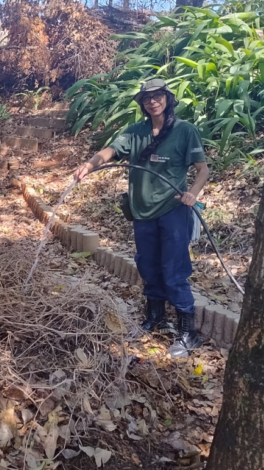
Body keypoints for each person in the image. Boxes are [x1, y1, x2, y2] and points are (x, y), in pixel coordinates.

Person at [73, 78, 209, 359]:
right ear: (142, 103)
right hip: (142, 212)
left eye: (158, 96)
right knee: (148, 266)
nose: (152, 101)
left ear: (168, 99)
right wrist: (90, 164)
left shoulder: (185, 131)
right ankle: (155, 318)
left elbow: (203, 169)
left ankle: (188, 332)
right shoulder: (135, 131)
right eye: (147, 97)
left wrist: (192, 193)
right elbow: (110, 150)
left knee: (174, 269)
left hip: (172, 211)